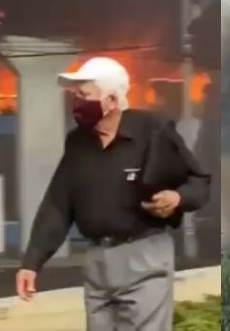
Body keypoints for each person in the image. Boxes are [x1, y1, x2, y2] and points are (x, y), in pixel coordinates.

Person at [15, 57, 211, 331]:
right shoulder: (78, 143)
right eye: (75, 95)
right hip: (97, 262)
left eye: (84, 95)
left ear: (111, 100)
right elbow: (59, 204)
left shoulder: (152, 131)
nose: (77, 103)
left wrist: (177, 198)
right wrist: (31, 263)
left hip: (144, 257)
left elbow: (200, 181)